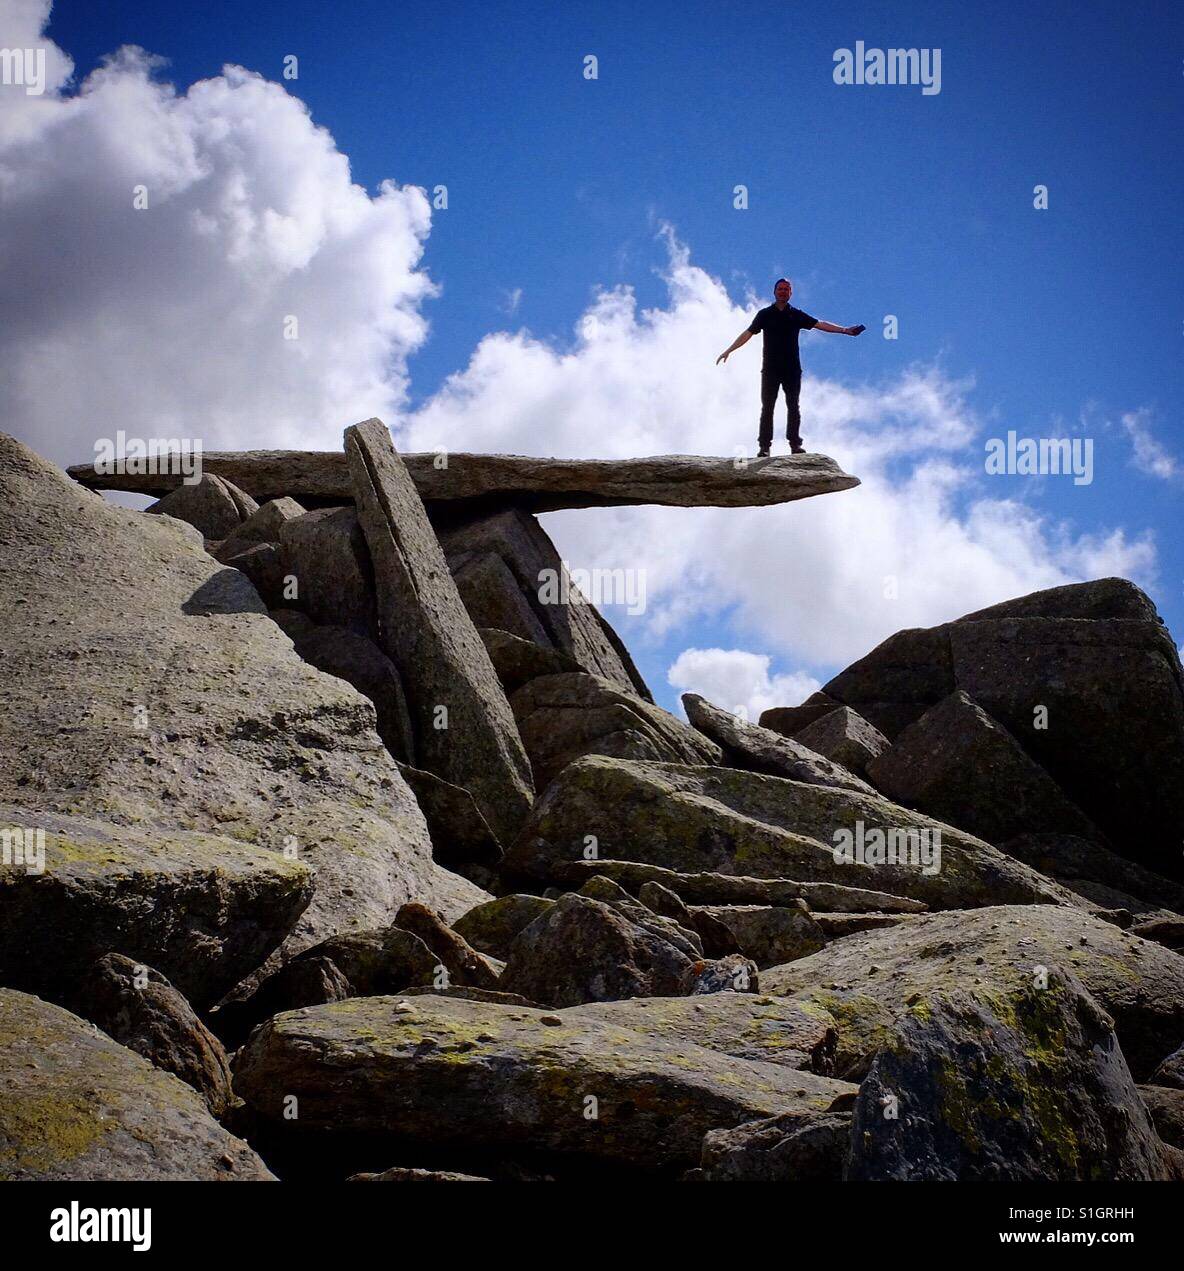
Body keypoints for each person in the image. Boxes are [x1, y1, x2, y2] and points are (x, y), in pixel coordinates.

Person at [716, 278, 864, 456]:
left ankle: (795, 445)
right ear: (774, 291)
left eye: (786, 289)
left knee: (793, 406)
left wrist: (845, 330)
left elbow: (819, 324)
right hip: (770, 369)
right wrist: (729, 350)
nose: (783, 291)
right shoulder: (765, 315)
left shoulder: (796, 314)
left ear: (790, 293)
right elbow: (748, 333)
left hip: (792, 369)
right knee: (768, 407)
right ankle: (764, 447)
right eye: (780, 289)